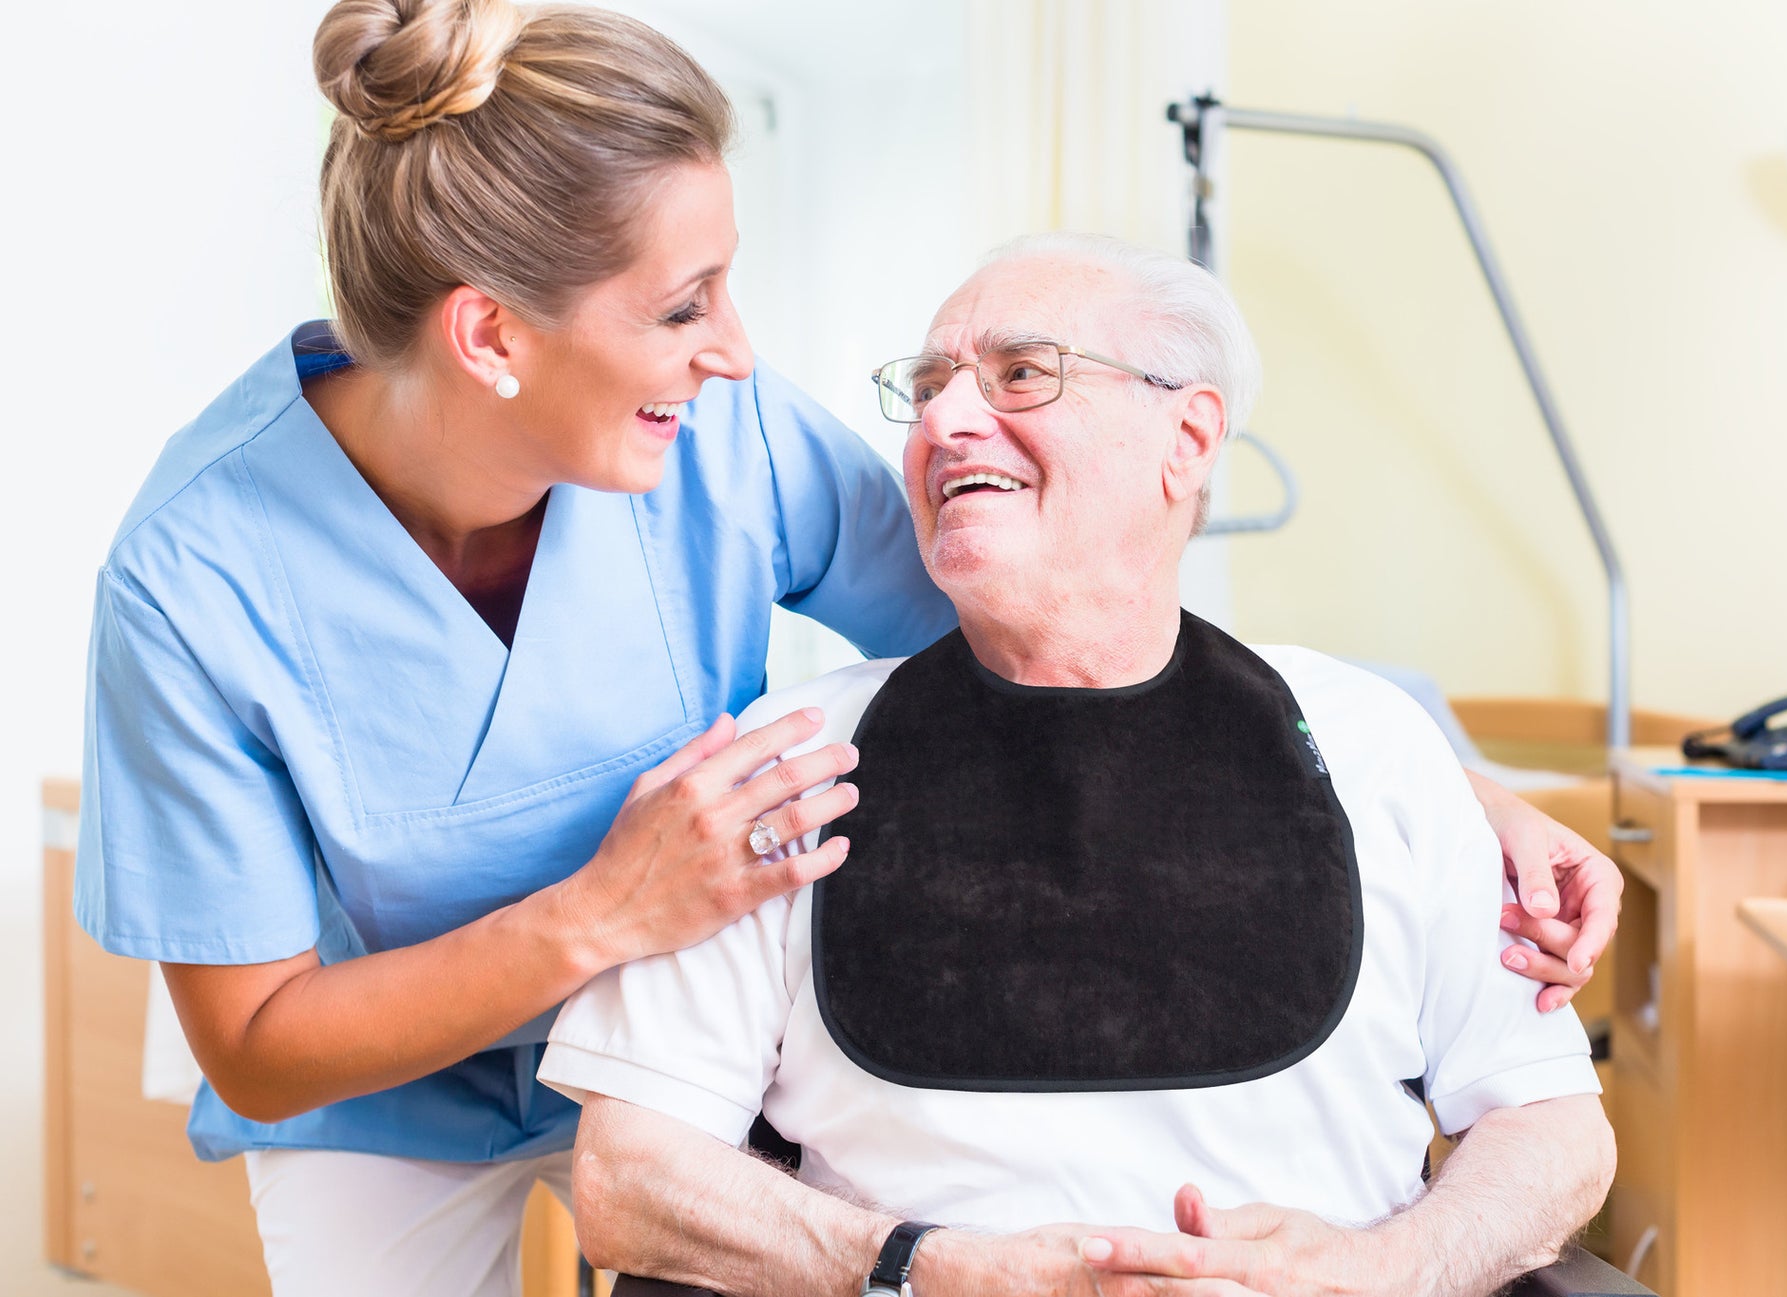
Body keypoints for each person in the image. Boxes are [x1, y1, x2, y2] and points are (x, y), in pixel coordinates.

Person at [73, 3, 1610, 1293]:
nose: (738, 347)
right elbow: (265, 1047)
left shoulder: (715, 430)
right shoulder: (200, 577)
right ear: (490, 337)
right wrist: (605, 913)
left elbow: (1063, 612)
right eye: (684, 304)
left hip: (687, 1044)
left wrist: (1435, 783)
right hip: (388, 1093)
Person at [539, 234, 1615, 1297]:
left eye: (1019, 374)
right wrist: (921, 1268)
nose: (943, 421)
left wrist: (1386, 1272)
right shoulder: (788, 763)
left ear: (1186, 439)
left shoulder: (1371, 746)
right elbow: (627, 1176)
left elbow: (1551, 1125)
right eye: (926, 388)